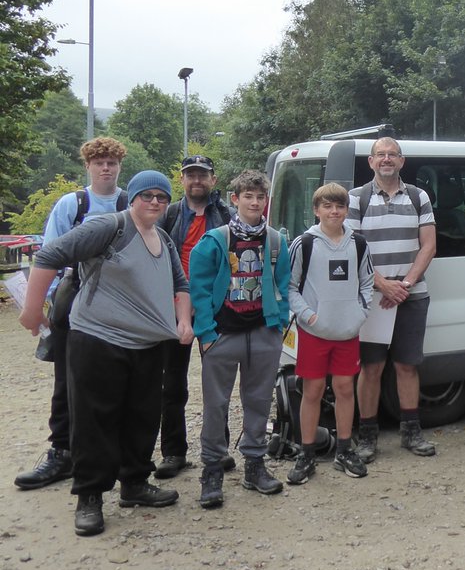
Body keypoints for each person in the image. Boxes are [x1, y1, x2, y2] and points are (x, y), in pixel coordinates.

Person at [17, 170, 192, 536]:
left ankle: (134, 484)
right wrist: (33, 310)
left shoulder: (162, 238)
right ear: (134, 198)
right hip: (98, 338)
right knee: (94, 419)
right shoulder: (109, 227)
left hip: (146, 344)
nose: (155, 202)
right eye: (148, 196)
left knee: (142, 417)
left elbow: (179, 283)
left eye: (162, 196)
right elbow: (50, 253)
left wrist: (184, 322)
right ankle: (90, 496)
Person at [15, 136, 128, 492]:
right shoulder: (72, 204)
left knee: (122, 376)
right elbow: (49, 253)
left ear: (119, 165)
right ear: (88, 166)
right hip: (75, 291)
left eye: (111, 161)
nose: (106, 167)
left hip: (123, 298)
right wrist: (45, 303)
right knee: (67, 378)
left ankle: (122, 454)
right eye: (99, 162)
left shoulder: (132, 202)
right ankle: (62, 451)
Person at [188, 169, 291, 508]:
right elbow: (199, 289)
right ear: (235, 199)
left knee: (259, 401)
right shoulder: (215, 240)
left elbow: (284, 284)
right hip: (222, 335)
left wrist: (278, 326)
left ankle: (254, 465)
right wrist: (206, 334)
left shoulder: (276, 241)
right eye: (248, 196)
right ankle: (213, 470)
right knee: (216, 406)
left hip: (262, 332)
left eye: (260, 197)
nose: (255, 202)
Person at [347, 138, 438, 459]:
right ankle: (367, 436)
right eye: (380, 155)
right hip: (372, 297)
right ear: (370, 162)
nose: (387, 160)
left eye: (392, 155)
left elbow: (428, 245)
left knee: (407, 366)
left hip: (412, 295)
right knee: (370, 368)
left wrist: (407, 284)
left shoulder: (418, 196)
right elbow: (351, 249)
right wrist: (383, 285)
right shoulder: (355, 199)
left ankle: (411, 433)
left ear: (402, 161)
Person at [286, 183, 374, 484]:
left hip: (347, 331)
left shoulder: (358, 244)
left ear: (346, 209)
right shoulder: (304, 243)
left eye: (339, 206)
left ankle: (345, 450)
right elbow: (289, 287)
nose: (333, 211)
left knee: (345, 390)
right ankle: (307, 453)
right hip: (314, 332)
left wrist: (359, 314)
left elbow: (366, 283)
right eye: (327, 206)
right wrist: (308, 315)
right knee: (310, 392)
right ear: (316, 210)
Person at [154, 154, 233, 480]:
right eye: (190, 175)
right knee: (172, 384)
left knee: (218, 384)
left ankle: (220, 449)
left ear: (213, 180)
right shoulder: (170, 214)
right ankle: (174, 452)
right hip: (174, 309)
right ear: (182, 180)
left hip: (215, 309)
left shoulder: (226, 215)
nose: (196, 181)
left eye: (202, 175)